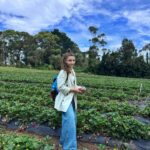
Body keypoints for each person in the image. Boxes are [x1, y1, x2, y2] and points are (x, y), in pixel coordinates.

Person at [54, 50, 86, 150]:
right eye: (69, 60)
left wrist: (80, 88)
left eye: (73, 60)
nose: (72, 62)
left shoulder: (72, 71)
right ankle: (70, 147)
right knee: (70, 123)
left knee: (69, 121)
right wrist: (73, 89)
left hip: (71, 100)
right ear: (65, 61)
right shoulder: (63, 72)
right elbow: (60, 87)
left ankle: (63, 141)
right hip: (65, 101)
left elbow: (73, 85)